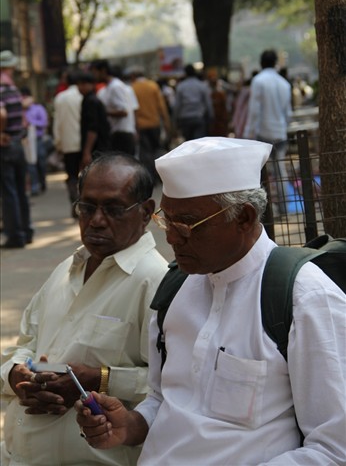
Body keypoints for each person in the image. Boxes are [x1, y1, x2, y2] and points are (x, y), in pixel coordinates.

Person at [75, 137, 345, 465]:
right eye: (167, 220)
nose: (172, 237)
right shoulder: (176, 287)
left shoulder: (304, 299)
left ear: (244, 218)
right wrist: (132, 425)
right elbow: (164, 399)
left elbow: (333, 449)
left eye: (188, 224)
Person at [0, 152, 169, 466]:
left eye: (114, 209)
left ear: (146, 212)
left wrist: (100, 379)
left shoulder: (155, 282)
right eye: (87, 207)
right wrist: (17, 377)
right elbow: (24, 345)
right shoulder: (67, 269)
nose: (97, 220)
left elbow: (174, 387)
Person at [243, 50, 292, 215]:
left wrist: (248, 134)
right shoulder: (284, 83)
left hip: (263, 133)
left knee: (261, 173)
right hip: (281, 132)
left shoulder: (258, 81)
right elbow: (288, 113)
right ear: (275, 62)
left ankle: (268, 210)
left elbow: (254, 110)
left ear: (261, 62)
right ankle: (284, 208)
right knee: (281, 171)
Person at [0, 50, 33, 248]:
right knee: (21, 190)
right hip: (17, 144)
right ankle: (26, 231)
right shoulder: (13, 90)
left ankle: (15, 236)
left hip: (5, 146)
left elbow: (1, 114)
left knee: (9, 192)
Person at [128, 66, 171, 180]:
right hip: (155, 123)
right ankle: (161, 175)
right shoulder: (153, 86)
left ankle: (150, 177)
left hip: (140, 125)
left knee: (145, 152)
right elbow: (162, 107)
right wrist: (166, 123)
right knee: (156, 149)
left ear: (133, 77)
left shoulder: (132, 88)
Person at [90, 61, 138, 155]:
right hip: (118, 134)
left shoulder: (115, 86)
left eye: (94, 72)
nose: (93, 76)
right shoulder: (109, 87)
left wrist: (103, 113)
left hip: (122, 134)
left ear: (103, 71)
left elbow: (124, 112)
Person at [53, 70, 83, 214]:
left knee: (71, 176)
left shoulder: (60, 98)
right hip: (84, 143)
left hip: (68, 143)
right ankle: (85, 205)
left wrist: (58, 142)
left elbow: (57, 122)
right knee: (87, 175)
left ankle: (75, 204)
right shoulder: (82, 96)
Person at [75, 72, 110, 169]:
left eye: (83, 84)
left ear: (92, 84)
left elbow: (92, 128)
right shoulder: (89, 99)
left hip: (98, 148)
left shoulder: (91, 101)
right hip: (98, 147)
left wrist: (87, 152)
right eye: (79, 84)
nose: (80, 87)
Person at [173, 64, 213, 141]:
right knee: (199, 142)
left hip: (185, 119)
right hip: (199, 117)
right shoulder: (202, 85)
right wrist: (211, 116)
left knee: (188, 143)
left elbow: (177, 105)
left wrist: (175, 120)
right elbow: (208, 103)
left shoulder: (181, 86)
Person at [21, 86, 49, 195]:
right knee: (30, 164)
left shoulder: (38, 108)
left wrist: (31, 122)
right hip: (26, 140)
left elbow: (44, 123)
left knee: (40, 163)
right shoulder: (20, 110)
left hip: (38, 139)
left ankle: (42, 182)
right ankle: (34, 187)